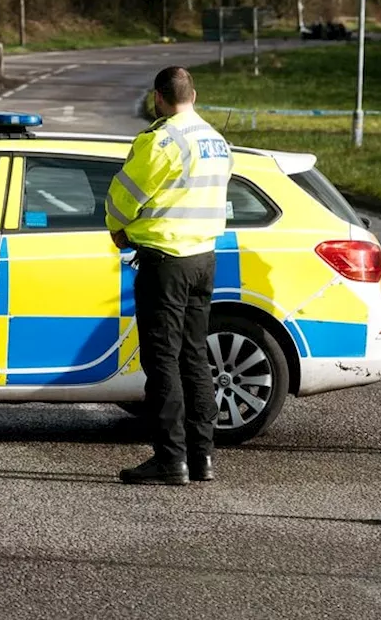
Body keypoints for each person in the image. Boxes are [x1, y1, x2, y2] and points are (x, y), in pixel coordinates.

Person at [106, 66, 232, 485]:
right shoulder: (216, 140)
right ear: (193, 95)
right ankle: (202, 457)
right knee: (194, 357)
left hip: (166, 261)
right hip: (204, 259)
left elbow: (123, 199)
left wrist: (118, 229)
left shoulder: (161, 141)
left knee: (162, 362)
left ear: (158, 98)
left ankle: (170, 459)